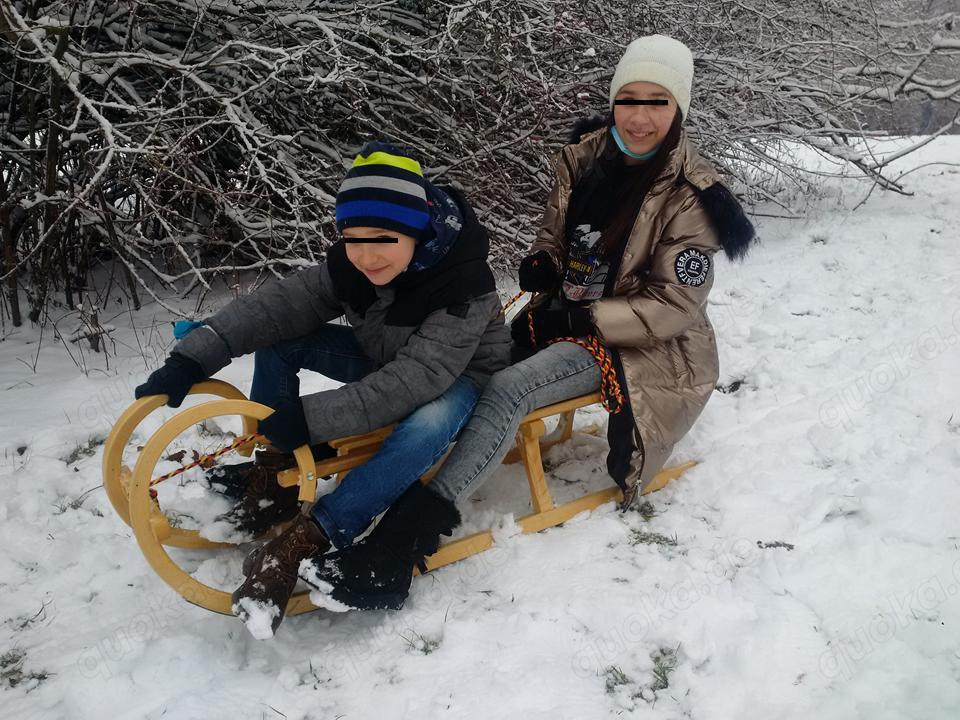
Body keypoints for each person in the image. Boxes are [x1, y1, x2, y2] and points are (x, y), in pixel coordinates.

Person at [298, 35, 756, 612]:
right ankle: (343, 462)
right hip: (559, 316)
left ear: (679, 107)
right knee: (464, 363)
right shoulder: (584, 159)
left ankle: (400, 544)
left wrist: (587, 315)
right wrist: (544, 259)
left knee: (509, 388)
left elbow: (673, 305)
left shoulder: (695, 197)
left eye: (657, 102)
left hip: (640, 345)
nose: (639, 117)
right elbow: (554, 233)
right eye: (628, 99)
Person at [135, 142, 510, 638]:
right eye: (352, 238)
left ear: (416, 231)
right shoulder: (351, 266)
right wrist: (195, 356)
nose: (366, 255)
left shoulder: (464, 283)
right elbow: (277, 307)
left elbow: (418, 378)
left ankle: (314, 533)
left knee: (428, 424)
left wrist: (311, 420)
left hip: (459, 375)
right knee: (281, 340)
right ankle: (278, 476)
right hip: (385, 357)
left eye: (383, 238)